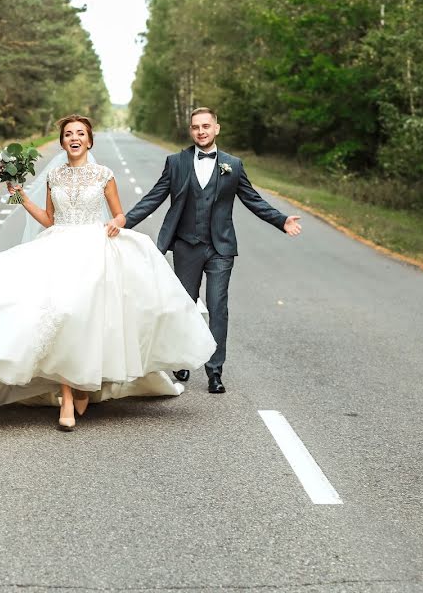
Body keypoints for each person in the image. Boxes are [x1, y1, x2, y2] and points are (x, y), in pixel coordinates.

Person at [0, 115, 216, 431]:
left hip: (93, 247)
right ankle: (68, 398)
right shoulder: (55, 177)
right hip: (59, 245)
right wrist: (22, 199)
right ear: (62, 143)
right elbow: (49, 219)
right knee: (55, 312)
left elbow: (119, 215)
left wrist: (116, 223)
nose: (74, 138)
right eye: (69, 134)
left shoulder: (104, 174)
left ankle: (83, 388)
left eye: (80, 134)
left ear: (89, 141)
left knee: (81, 316)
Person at [125, 107, 302, 394]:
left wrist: (281, 220)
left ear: (216, 128)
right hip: (186, 245)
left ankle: (214, 372)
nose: (201, 131)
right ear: (191, 130)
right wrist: (124, 222)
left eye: (206, 126)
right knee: (184, 305)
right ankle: (182, 358)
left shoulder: (233, 165)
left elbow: (253, 200)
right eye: (196, 127)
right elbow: (153, 198)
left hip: (221, 248)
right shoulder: (176, 162)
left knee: (218, 308)